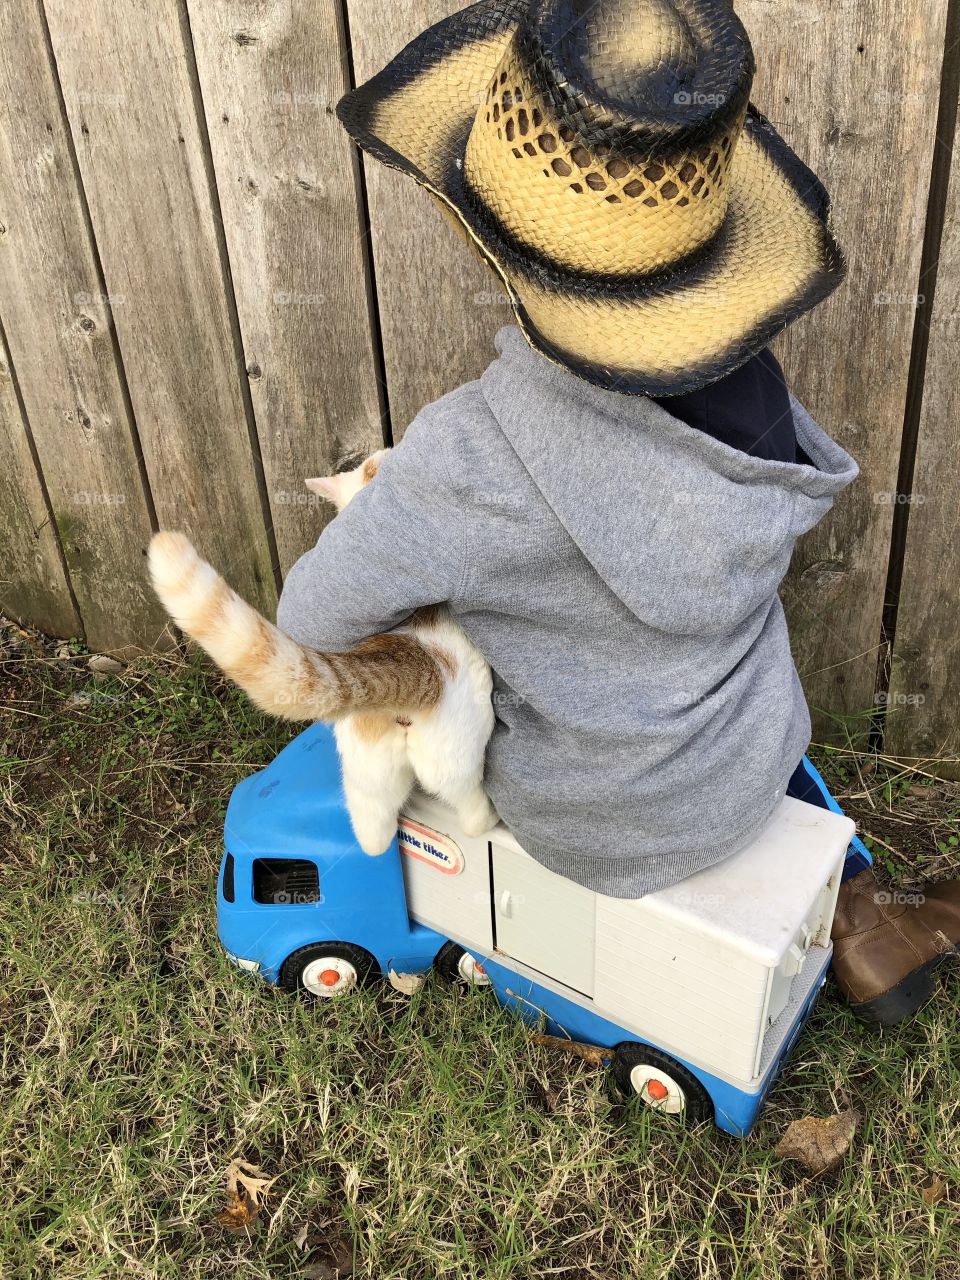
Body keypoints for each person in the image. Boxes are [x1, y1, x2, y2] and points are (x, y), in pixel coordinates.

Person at [277, 0, 958, 1025]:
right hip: (750, 765)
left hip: (590, 828)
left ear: (490, 232)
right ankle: (873, 911)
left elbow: (310, 621)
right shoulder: (758, 392)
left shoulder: (470, 454)